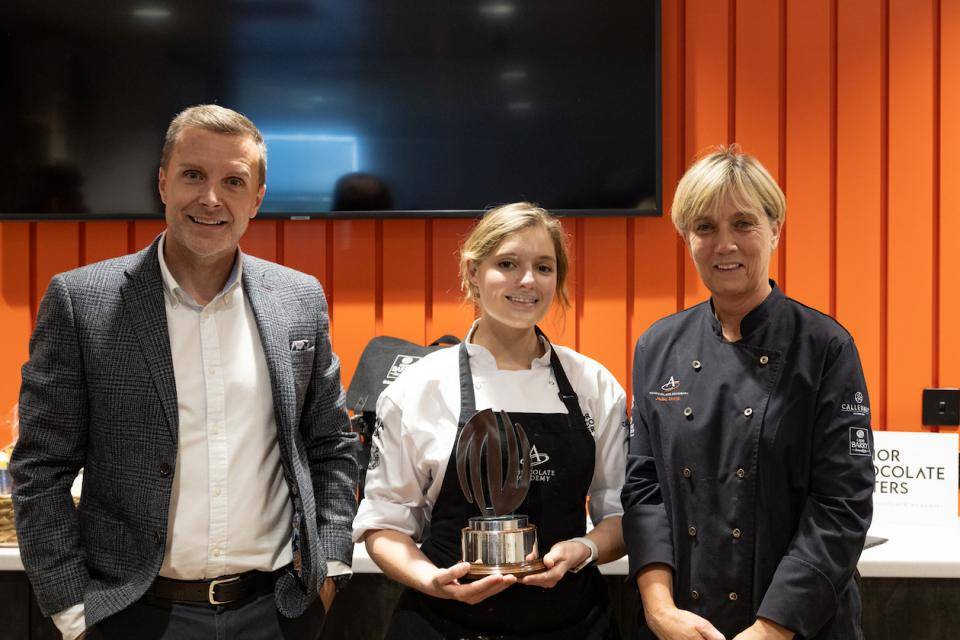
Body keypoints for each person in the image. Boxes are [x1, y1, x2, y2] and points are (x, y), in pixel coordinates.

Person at [11, 105, 358, 639]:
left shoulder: (298, 298)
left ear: (257, 198)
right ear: (163, 183)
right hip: (134, 614)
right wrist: (73, 612)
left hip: (278, 611)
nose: (211, 198)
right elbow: (40, 467)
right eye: (193, 174)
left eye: (233, 181)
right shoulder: (83, 301)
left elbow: (331, 444)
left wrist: (329, 566)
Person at [621, 147, 874, 640]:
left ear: (775, 229)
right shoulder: (658, 345)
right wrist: (659, 609)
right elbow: (643, 487)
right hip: (682, 623)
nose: (724, 245)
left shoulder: (824, 346)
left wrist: (771, 629)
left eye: (743, 224)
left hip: (802, 623)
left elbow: (842, 504)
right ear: (687, 239)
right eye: (705, 228)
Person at [353, 202, 629, 639]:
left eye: (544, 267)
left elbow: (620, 515)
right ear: (472, 273)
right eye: (507, 264)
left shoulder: (594, 386)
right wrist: (429, 580)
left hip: (571, 624)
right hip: (444, 622)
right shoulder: (417, 389)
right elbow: (385, 522)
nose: (527, 281)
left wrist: (585, 548)